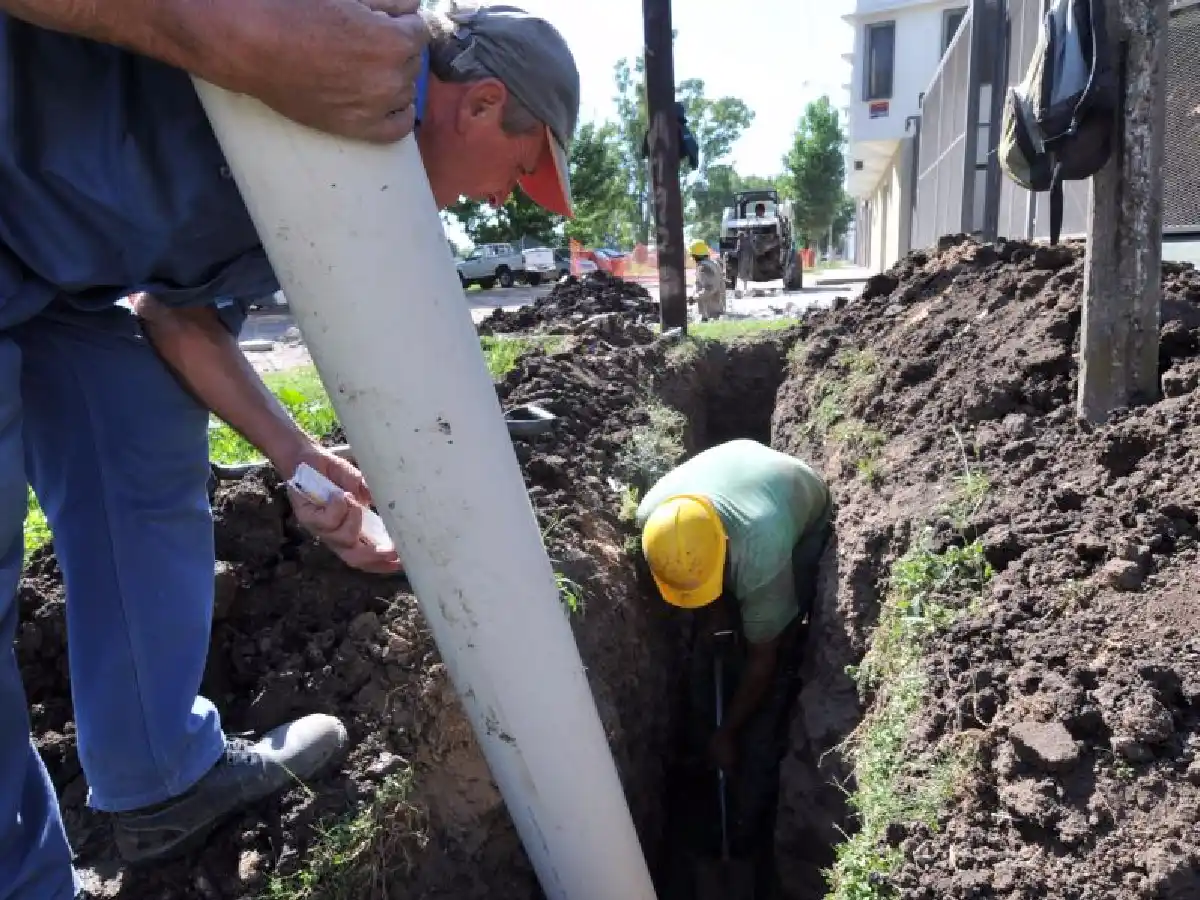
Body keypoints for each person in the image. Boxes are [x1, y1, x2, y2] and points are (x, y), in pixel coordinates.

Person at [0, 1, 579, 896]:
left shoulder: (350, 185)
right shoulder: (327, 62)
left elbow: (173, 316)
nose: (506, 195)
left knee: (139, 412)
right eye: (524, 164)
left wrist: (302, 458)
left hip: (65, 272)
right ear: (480, 104)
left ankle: (157, 776)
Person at [635, 439, 833, 870]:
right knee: (723, 616)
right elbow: (696, 573)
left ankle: (760, 724)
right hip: (737, 474)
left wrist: (728, 732)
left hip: (797, 496)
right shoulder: (655, 521)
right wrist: (714, 617)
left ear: (725, 544)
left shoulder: (764, 552)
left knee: (773, 637)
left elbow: (763, 658)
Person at [689, 240, 726, 322]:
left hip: (710, 313)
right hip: (718, 309)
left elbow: (709, 288)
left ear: (695, 256)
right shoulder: (714, 264)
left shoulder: (704, 268)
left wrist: (694, 298)